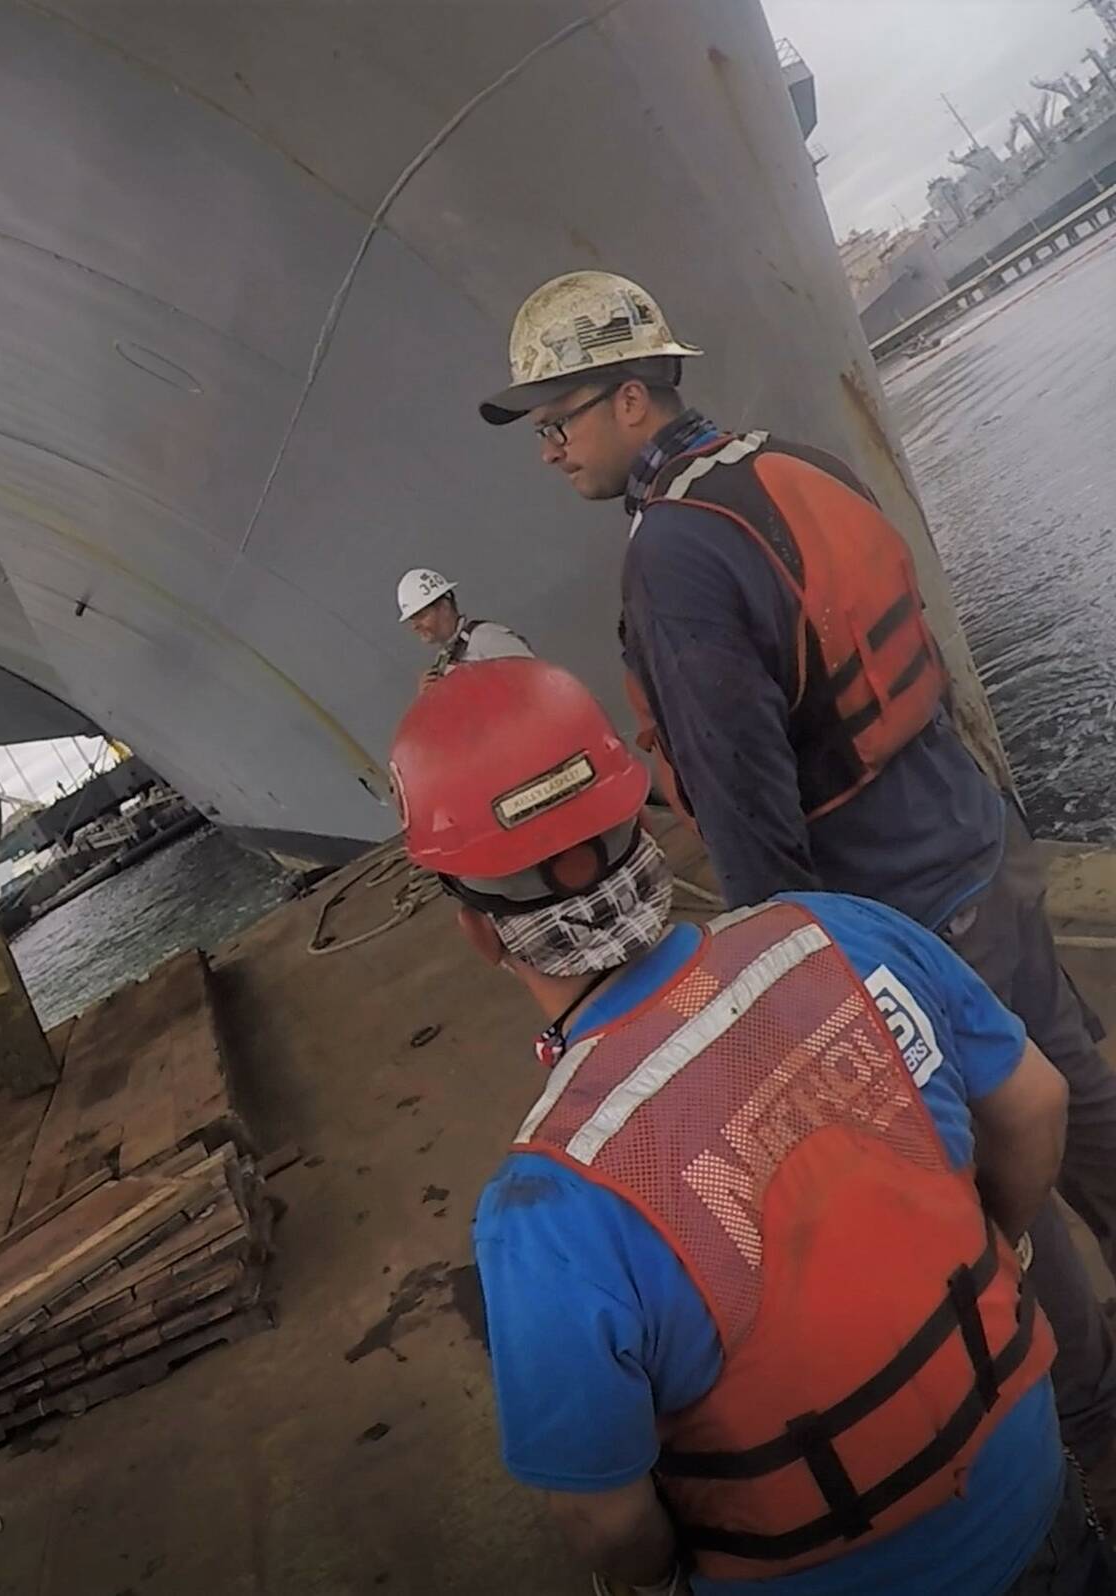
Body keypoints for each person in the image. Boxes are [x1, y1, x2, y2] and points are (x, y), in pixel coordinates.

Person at [478, 267, 1116, 1494]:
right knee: (1075, 1097)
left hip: (900, 916)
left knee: (1004, 1189)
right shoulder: (794, 463)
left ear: (627, 399)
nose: (546, 445)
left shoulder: (671, 557)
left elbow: (743, 796)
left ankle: (1086, 1414)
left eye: (556, 416)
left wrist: (774, 985)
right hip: (974, 842)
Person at [388, 657, 1108, 1596]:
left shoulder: (547, 1204)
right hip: (1035, 1497)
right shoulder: (841, 932)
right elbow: (1036, 1103)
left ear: (479, 933)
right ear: (642, 830)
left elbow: (605, 1521)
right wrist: (994, 1245)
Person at [395, 567, 532, 682]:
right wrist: (430, 698)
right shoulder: (442, 662)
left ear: (444, 607)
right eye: (412, 619)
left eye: (421, 616)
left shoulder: (486, 638)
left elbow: (533, 677)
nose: (415, 626)